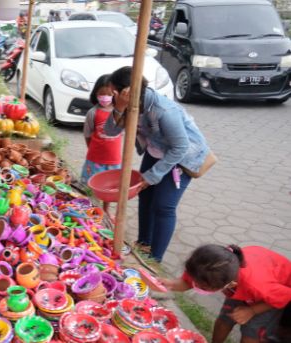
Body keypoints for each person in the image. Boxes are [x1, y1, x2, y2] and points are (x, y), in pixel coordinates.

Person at [104, 66, 211, 262]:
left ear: (127, 90)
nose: (111, 95)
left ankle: (155, 258)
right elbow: (110, 132)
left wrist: (153, 175)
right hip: (156, 151)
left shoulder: (163, 110)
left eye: (114, 91)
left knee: (163, 206)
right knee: (145, 196)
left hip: (182, 158)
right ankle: (144, 243)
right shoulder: (127, 102)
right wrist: (119, 107)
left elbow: (180, 147)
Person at [160, 244, 291, 343]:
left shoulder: (258, 285)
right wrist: (168, 284)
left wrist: (252, 311)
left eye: (202, 287)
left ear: (229, 285)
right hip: (249, 281)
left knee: (251, 333)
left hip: (272, 296)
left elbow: (285, 297)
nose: (195, 286)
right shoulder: (206, 267)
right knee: (225, 319)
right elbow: (187, 283)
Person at [81, 74, 122, 217]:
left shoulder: (120, 113)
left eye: (108, 94)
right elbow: (87, 134)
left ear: (115, 94)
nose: (104, 97)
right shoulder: (92, 113)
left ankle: (105, 211)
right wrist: (92, 150)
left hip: (114, 160)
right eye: (101, 94)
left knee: (109, 188)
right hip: (95, 159)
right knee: (93, 186)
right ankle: (92, 209)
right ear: (95, 94)